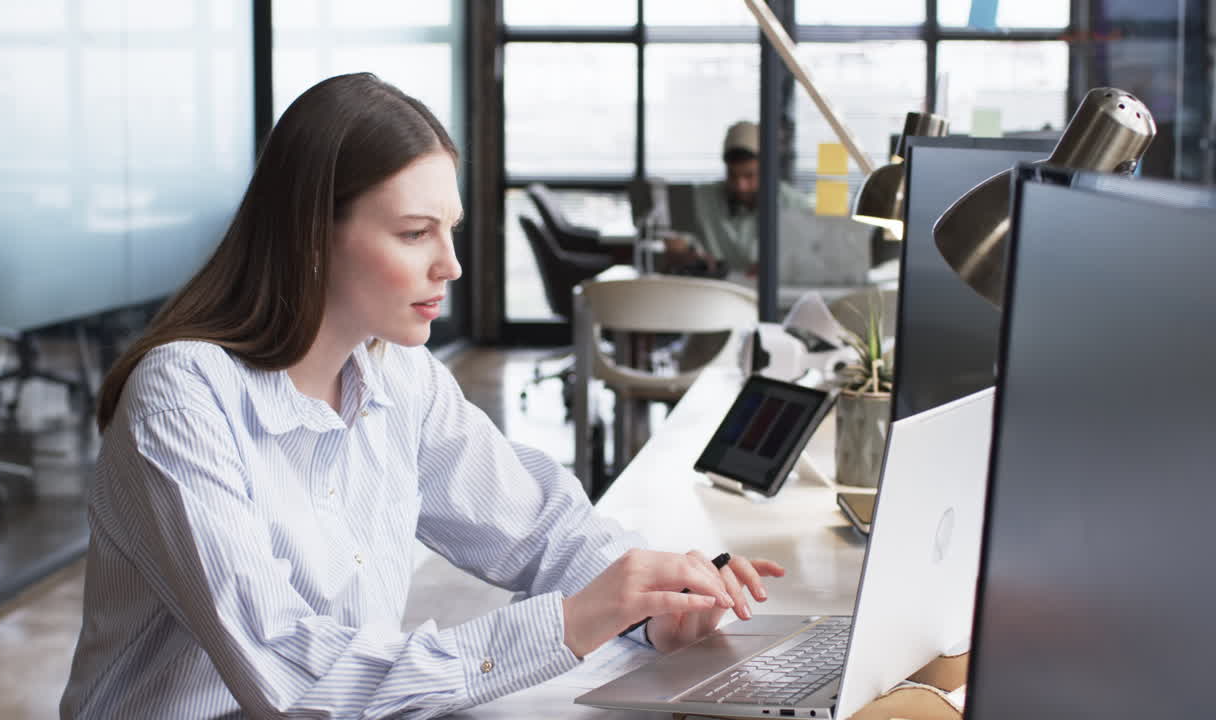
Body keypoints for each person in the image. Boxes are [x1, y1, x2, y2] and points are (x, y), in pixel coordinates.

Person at [60, 73, 785, 719]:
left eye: (451, 230)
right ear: (313, 236)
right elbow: (289, 676)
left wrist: (660, 604)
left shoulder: (396, 377)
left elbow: (540, 530)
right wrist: (567, 624)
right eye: (415, 233)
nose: (452, 264)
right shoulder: (183, 398)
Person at [666, 120, 812, 277]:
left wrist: (780, 267)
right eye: (732, 175)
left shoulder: (795, 205)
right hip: (715, 293)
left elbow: (811, 258)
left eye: (749, 176)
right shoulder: (700, 199)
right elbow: (674, 239)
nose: (740, 185)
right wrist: (685, 255)